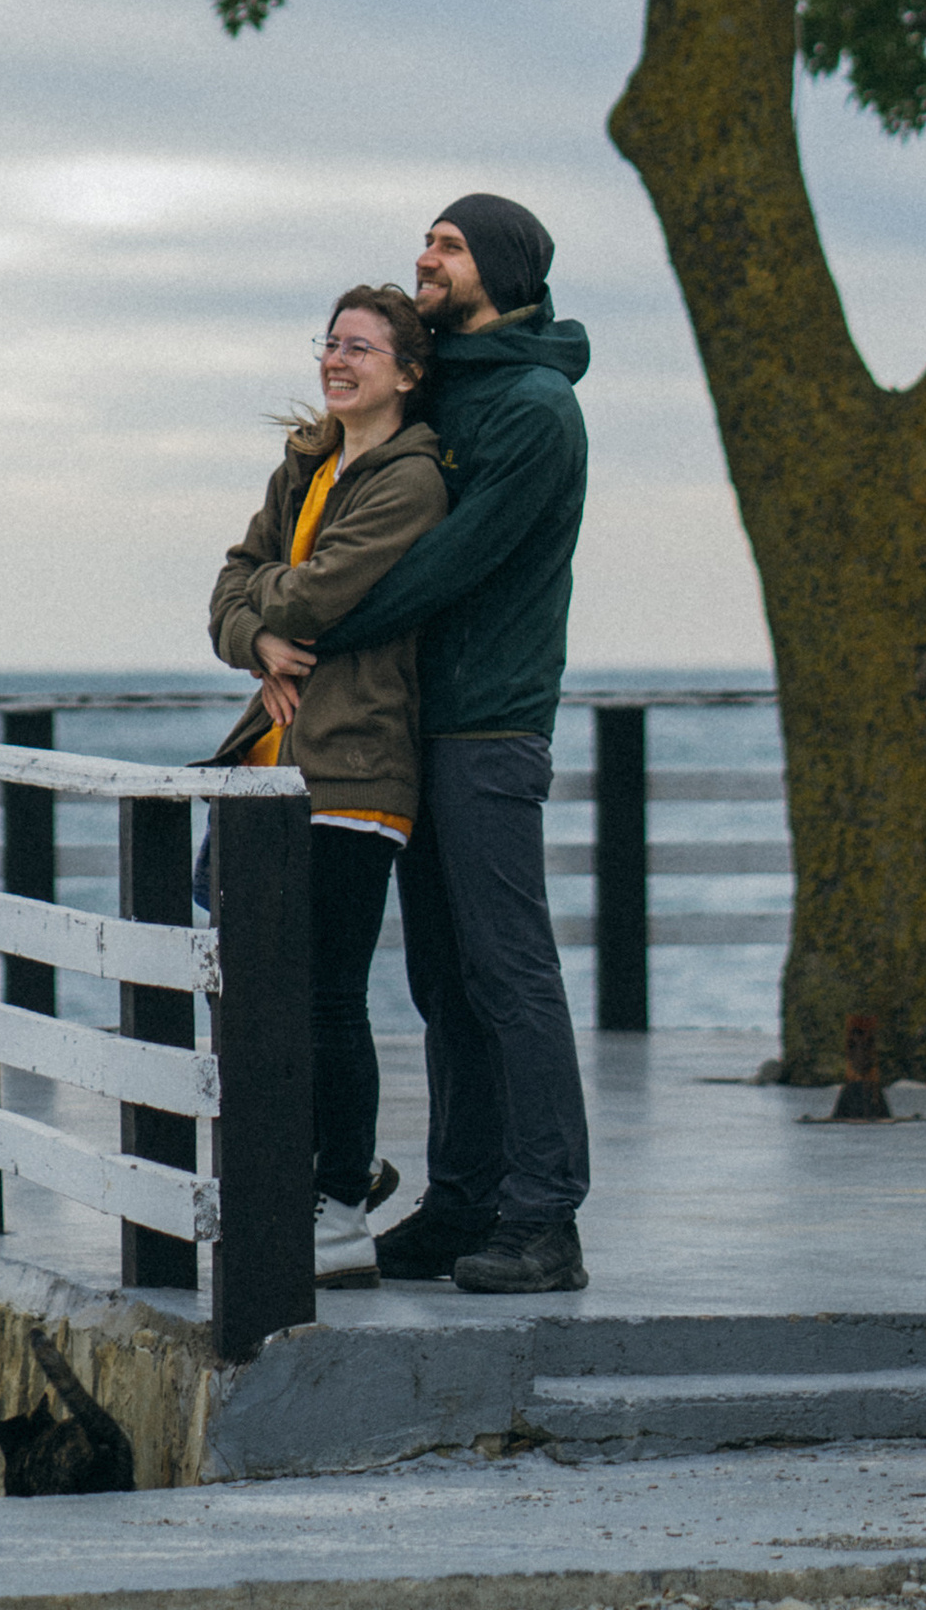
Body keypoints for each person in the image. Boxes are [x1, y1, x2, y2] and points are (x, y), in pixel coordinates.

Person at [251, 191, 591, 1295]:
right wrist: (268, 628)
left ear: (499, 265)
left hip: (490, 721)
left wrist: (302, 629)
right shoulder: (452, 386)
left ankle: (545, 1217)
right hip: (415, 725)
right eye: (427, 242)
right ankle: (460, 1204)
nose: (426, 257)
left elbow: (442, 568)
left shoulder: (534, 409)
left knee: (509, 971)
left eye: (447, 246)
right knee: (442, 980)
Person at [208, 282, 448, 1286]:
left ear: (406, 371)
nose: (336, 361)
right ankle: (329, 1162)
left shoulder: (411, 480)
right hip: (266, 764)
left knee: (325, 995)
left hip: (353, 768)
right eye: (329, 343)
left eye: (359, 347)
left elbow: (313, 594)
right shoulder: (304, 464)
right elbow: (231, 589)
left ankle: (340, 1208)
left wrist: (271, 612)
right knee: (231, 971)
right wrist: (256, 633)